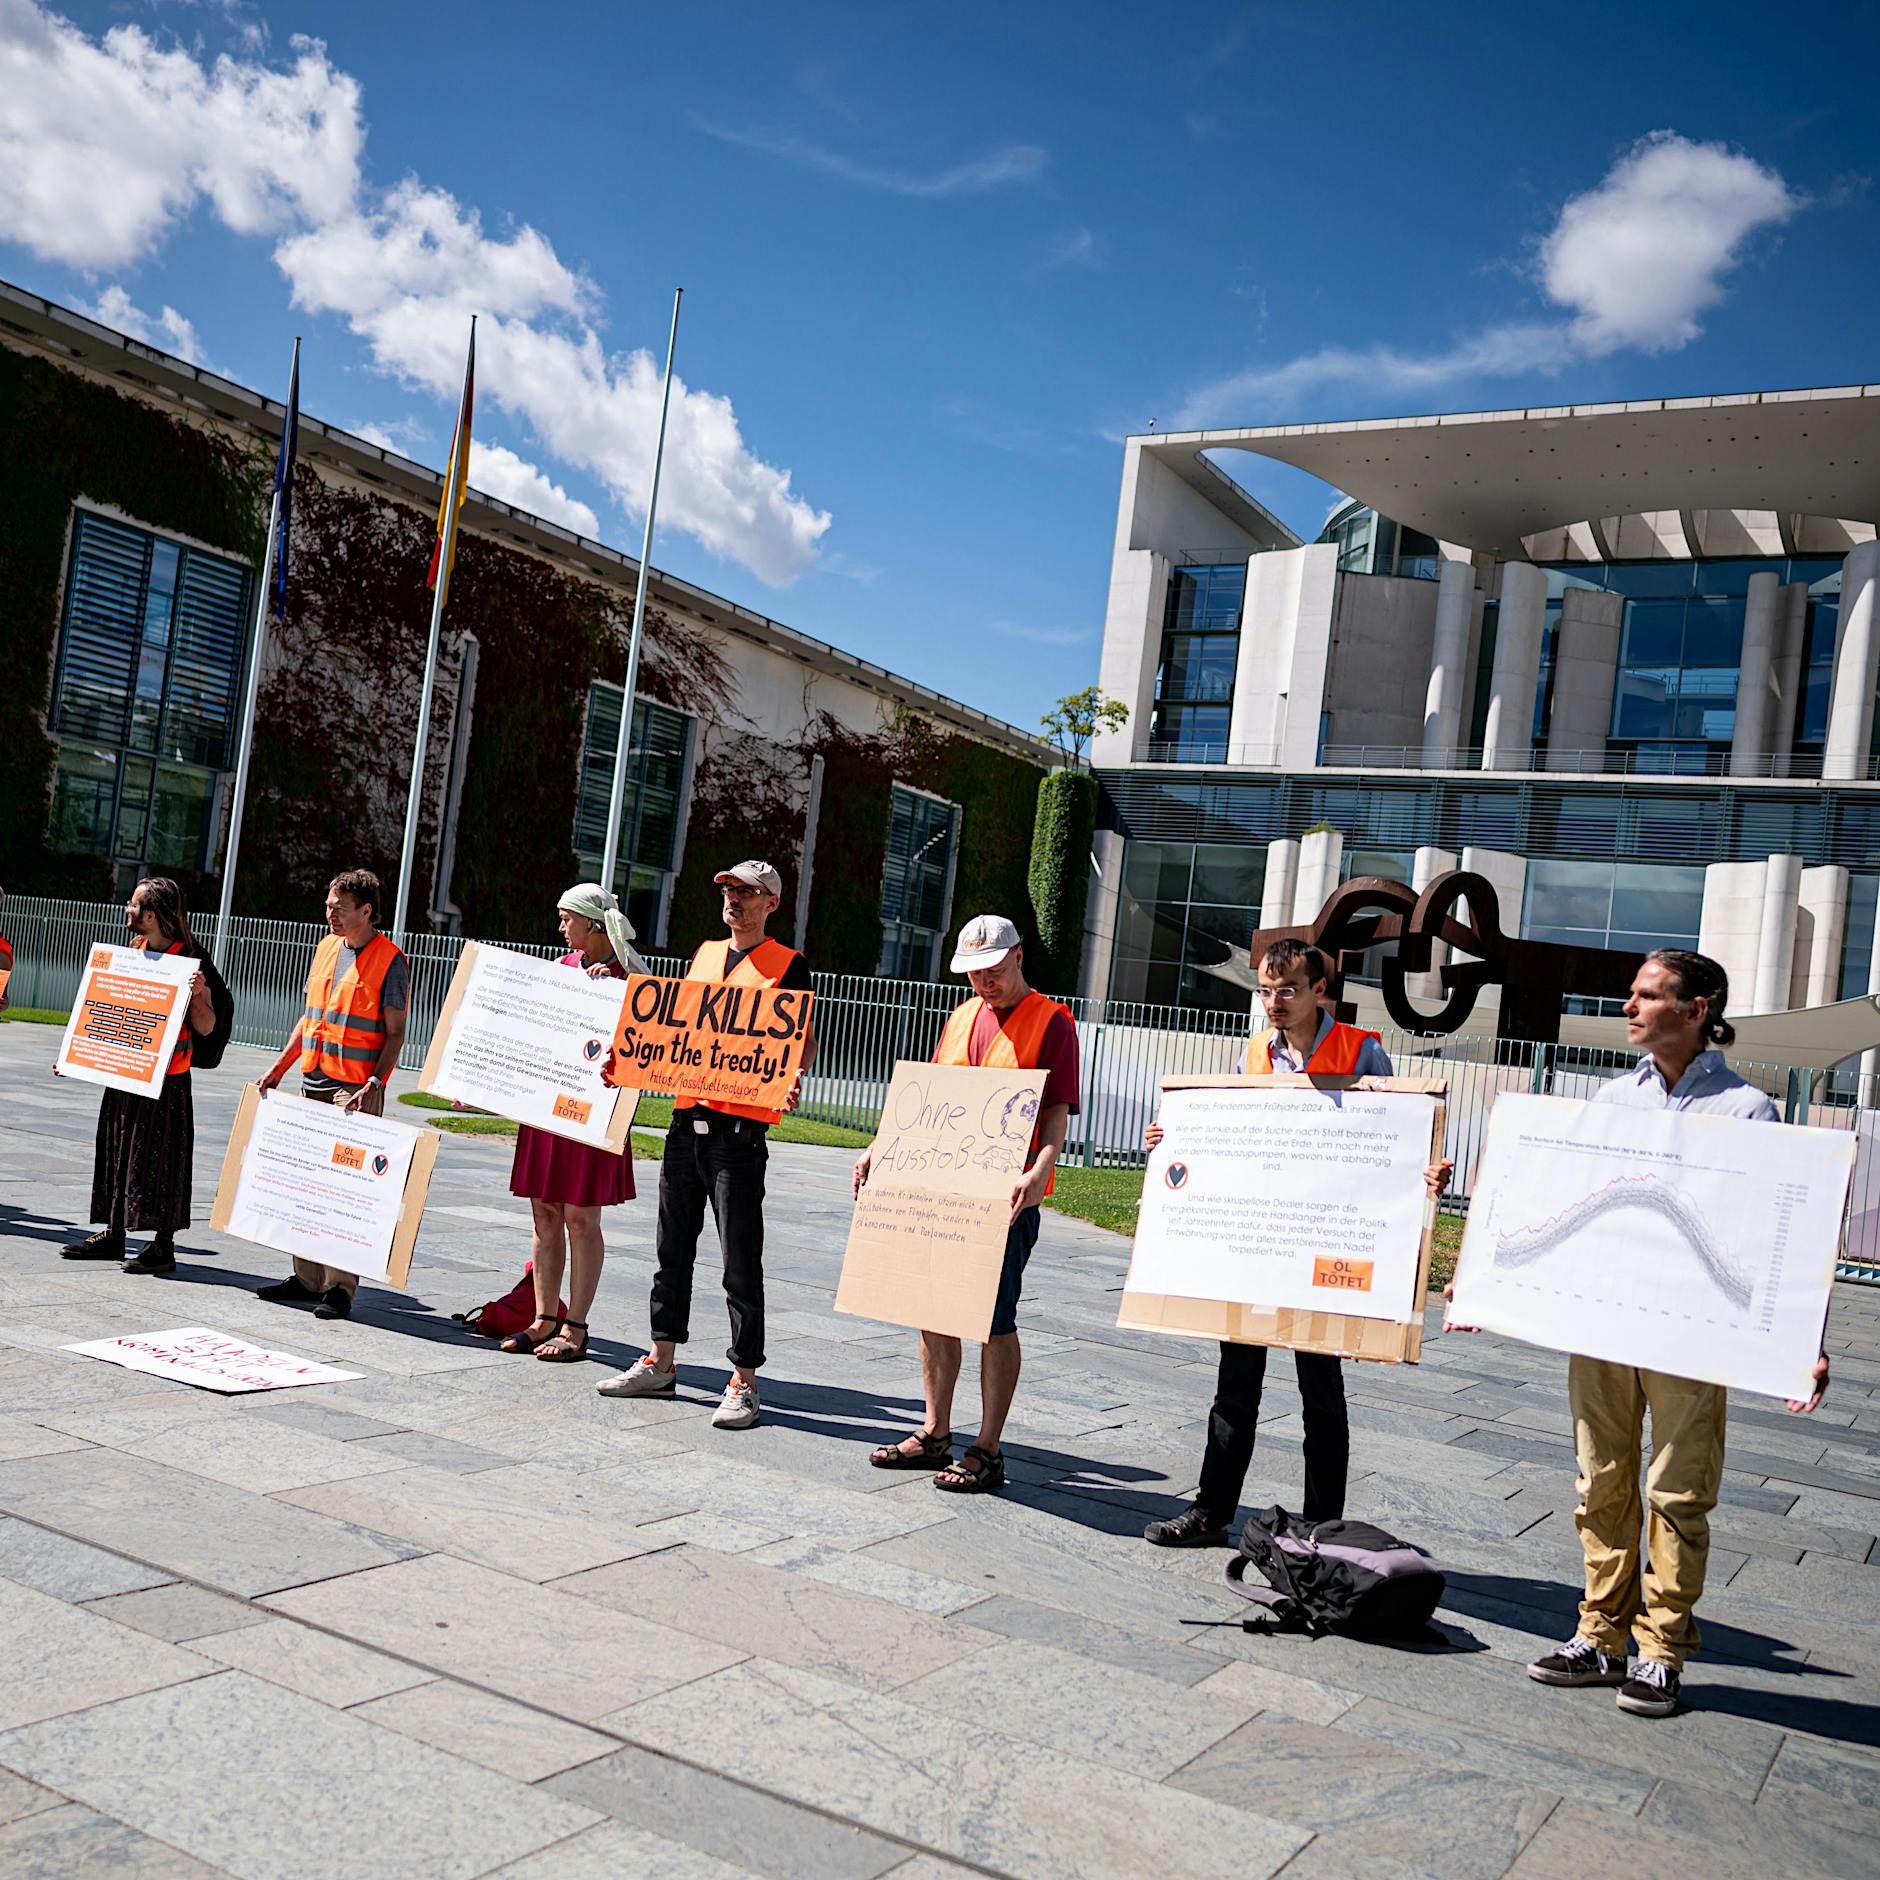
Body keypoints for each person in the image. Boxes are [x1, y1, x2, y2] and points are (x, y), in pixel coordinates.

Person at [1455, 948, 1831, 1720]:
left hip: (1694, 1333)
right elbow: (1561, 1199)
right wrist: (1483, 1281)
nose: (1630, 1007)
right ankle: (1599, 1637)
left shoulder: (1746, 1111)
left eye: (1648, 996)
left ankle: (1661, 1651)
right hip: (1604, 1323)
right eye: (1631, 995)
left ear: (1696, 1012)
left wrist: (1805, 1344)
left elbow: (1777, 1237)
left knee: (1678, 1493)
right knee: (1601, 1484)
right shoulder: (1606, 1100)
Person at [1141, 937, 1450, 1547]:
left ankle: (1319, 1530)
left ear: (1319, 992)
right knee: (1235, 1387)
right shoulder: (1253, 1054)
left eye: (1287, 990)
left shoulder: (1362, 1051)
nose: (1274, 1001)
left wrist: (1428, 1171)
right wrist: (1173, 1140)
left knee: (1321, 1394)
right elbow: (1230, 1137)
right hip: (1259, 1250)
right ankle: (1211, 1512)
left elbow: (1397, 1142)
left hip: (1321, 1251)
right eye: (1265, 990)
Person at [857, 913, 1079, 1493]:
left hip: (1007, 1199)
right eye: (974, 974)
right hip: (945, 1191)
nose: (984, 982)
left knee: (993, 1319)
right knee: (935, 1310)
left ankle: (988, 1447)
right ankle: (935, 1433)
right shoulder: (961, 1017)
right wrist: (879, 1148)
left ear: (1019, 957)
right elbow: (928, 1099)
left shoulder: (1053, 1022)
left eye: (994, 971)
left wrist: (1040, 1171)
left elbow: (1056, 1111)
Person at [597, 860, 815, 1429]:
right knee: (672, 1251)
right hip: (683, 1124)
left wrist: (789, 1077)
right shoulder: (705, 954)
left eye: (747, 893)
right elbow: (676, 1033)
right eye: (728, 890)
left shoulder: (789, 966)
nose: (734, 900)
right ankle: (662, 1361)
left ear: (771, 904)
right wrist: (631, 1057)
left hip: (738, 1136)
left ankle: (744, 1379)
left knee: (739, 1263)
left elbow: (796, 1039)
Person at [498, 884, 648, 1363]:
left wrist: (620, 990)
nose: (561, 929)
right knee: (544, 1211)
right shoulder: (560, 971)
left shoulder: (631, 976)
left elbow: (653, 1031)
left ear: (592, 924)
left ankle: (576, 1325)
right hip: (548, 1105)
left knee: (581, 1216)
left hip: (593, 1106)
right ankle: (544, 1318)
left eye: (567, 920)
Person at [251, 869, 408, 1320]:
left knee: (346, 1192)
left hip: (354, 1093)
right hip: (313, 1083)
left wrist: (374, 1085)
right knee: (307, 1183)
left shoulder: (389, 960)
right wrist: (277, 1069)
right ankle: (306, 1278)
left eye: (339, 908)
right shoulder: (324, 949)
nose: (331, 915)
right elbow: (310, 1018)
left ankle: (340, 1288)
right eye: (327, 907)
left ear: (366, 911)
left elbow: (395, 1033)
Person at [61, 879, 217, 1275]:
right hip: (127, 1076)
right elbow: (105, 1013)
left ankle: (163, 1246)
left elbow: (207, 1028)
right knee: (118, 1152)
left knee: (162, 1160)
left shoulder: (191, 960)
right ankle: (114, 1233)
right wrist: (74, 1057)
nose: (126, 910)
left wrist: (199, 994)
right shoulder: (132, 954)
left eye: (132, 905)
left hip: (168, 1081)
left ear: (150, 915)